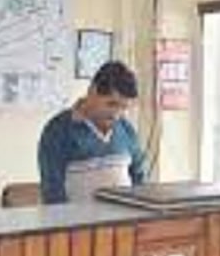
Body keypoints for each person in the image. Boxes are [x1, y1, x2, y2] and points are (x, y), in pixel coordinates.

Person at [38, 61, 147, 204]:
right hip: (77, 218)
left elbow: (139, 180)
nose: (116, 114)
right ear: (92, 91)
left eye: (123, 107)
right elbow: (53, 193)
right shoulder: (58, 130)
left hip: (124, 217)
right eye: (111, 104)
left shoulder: (126, 129)